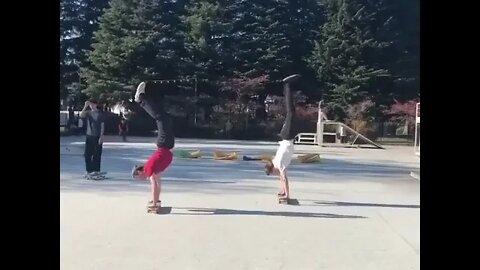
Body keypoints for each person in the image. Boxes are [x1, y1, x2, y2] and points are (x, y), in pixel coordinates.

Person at [131, 82, 175, 212]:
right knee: (164, 118)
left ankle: (140, 100)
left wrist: (154, 202)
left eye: (137, 177)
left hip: (164, 144)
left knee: (161, 118)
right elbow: (158, 183)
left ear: (139, 172)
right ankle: (144, 99)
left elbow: (154, 184)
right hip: (166, 146)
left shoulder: (149, 169)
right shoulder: (152, 170)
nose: (139, 179)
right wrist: (155, 200)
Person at [264, 74, 301, 202]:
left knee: (291, 112)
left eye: (273, 173)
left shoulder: (278, 164)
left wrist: (287, 195)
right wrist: (282, 191)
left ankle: (287, 84)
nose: (276, 175)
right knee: (292, 112)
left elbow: (284, 178)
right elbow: (281, 178)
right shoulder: (275, 162)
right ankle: (287, 85)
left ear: (272, 169)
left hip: (287, 136)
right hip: (286, 136)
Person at [80, 100, 105, 179]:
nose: (91, 105)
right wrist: (85, 106)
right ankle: (89, 170)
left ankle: (96, 170)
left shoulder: (100, 114)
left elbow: (102, 125)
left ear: (95, 104)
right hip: (89, 136)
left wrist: (101, 136)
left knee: (97, 154)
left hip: (97, 136)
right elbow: (81, 115)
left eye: (92, 104)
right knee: (87, 154)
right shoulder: (88, 113)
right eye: (90, 104)